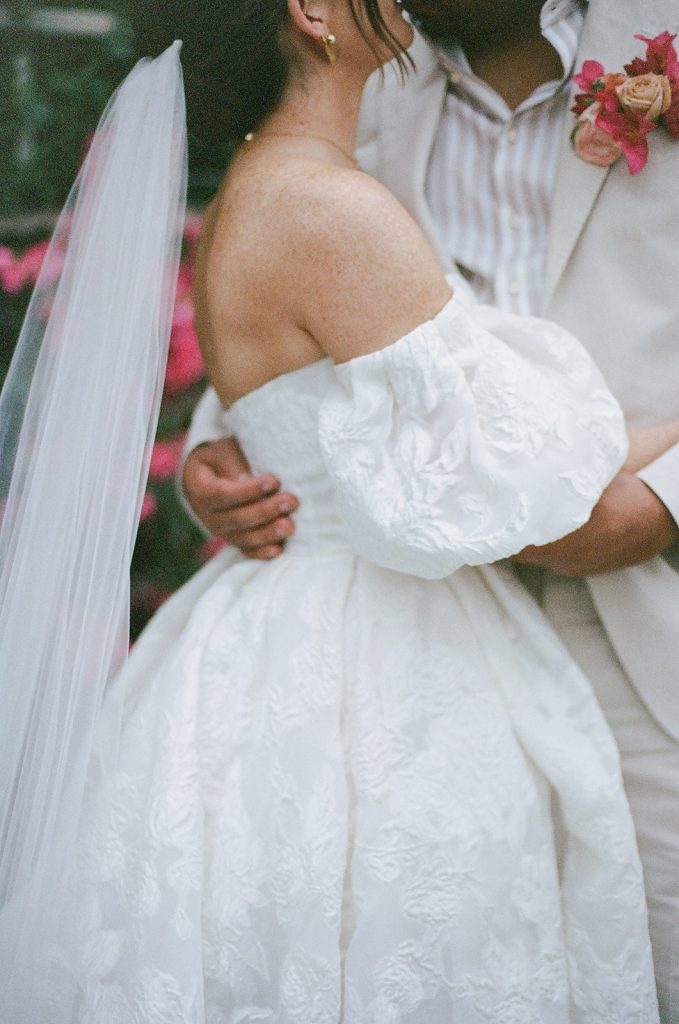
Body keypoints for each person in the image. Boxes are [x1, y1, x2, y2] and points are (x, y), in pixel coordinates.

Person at [0, 0, 665, 1020]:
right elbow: (509, 457)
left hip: (613, 637)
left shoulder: (279, 177)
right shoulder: (338, 188)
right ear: (311, 12)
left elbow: (312, 375)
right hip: (390, 644)